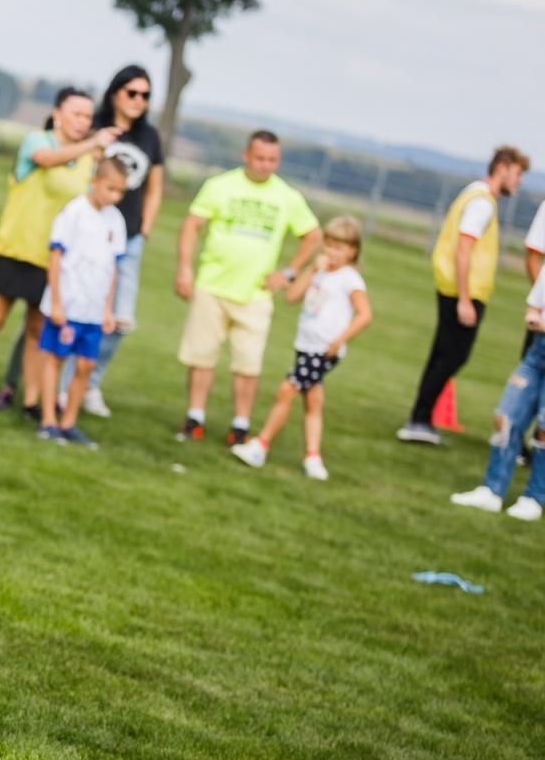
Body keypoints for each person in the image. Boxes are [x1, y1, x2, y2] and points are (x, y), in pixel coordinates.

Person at [0, 88, 117, 411]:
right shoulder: (38, 141)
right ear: (57, 114)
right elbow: (47, 160)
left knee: (36, 330)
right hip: (15, 248)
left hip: (53, 260)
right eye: (76, 114)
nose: (83, 122)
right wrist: (91, 144)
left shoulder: (88, 161)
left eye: (88, 116)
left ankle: (30, 402)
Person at [173, 130, 321, 445]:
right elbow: (192, 225)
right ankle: (195, 418)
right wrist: (185, 267)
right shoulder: (220, 186)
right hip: (212, 285)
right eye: (260, 158)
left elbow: (312, 235)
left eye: (272, 160)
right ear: (246, 156)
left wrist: (289, 272)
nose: (265, 165)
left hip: (255, 293)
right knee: (202, 356)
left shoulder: (287, 196)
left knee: (248, 364)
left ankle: (240, 426)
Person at [397, 146, 531, 445]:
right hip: (463, 291)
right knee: (453, 356)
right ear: (502, 168)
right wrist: (465, 299)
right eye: (518, 173)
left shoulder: (473, 194)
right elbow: (464, 249)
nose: (519, 181)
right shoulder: (482, 203)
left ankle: (421, 417)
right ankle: (419, 419)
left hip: (453, 288)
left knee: (443, 354)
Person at [55, 64, 164, 418]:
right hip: (88, 236)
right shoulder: (98, 127)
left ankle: (89, 383)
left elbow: (155, 186)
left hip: (127, 237)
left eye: (145, 95)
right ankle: (60, 387)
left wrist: (145, 228)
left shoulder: (150, 137)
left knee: (119, 319)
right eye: (132, 92)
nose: (139, 100)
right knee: (73, 310)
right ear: (116, 92)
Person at [230, 217, 372, 480]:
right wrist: (312, 270)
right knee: (313, 401)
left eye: (339, 248)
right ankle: (313, 459)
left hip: (323, 351)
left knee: (286, 391)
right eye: (329, 245)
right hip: (306, 346)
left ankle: (261, 445)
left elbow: (364, 315)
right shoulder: (321, 272)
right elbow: (292, 296)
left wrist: (339, 340)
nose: (331, 252)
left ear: (352, 251)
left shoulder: (349, 279)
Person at [34, 157, 128, 448]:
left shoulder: (116, 220)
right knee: (56, 359)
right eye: (110, 188)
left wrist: (108, 308)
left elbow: (112, 267)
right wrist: (57, 303)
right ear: (94, 181)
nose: (115, 196)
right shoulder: (73, 212)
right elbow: (55, 258)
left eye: (121, 191)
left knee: (86, 366)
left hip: (93, 310)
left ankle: (69, 423)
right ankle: (48, 420)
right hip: (68, 305)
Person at [450, 264, 545, 521]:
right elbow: (534, 306)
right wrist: (532, 317)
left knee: (544, 428)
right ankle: (492, 491)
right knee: (505, 416)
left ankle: (534, 498)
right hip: (537, 354)